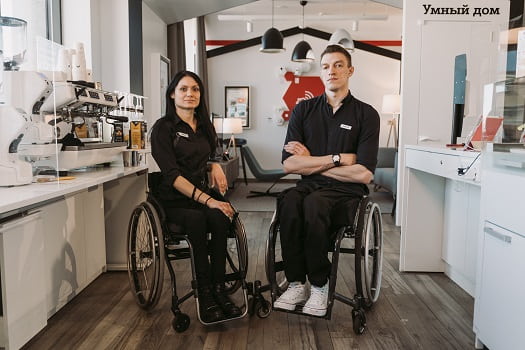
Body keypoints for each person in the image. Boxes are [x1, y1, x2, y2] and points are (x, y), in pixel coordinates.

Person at [273, 45, 380, 317]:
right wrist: (337, 158)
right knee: (288, 201)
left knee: (314, 204)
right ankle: (296, 282)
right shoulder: (303, 110)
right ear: (320, 72)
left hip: (347, 192)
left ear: (350, 70)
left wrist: (312, 162)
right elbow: (289, 164)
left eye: (338, 65)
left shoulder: (366, 115)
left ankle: (319, 284)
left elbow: (364, 173)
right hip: (307, 187)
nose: (331, 71)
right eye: (325, 66)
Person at [150, 70, 242, 323]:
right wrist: (210, 200)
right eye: (183, 89)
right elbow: (172, 176)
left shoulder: (204, 127)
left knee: (222, 217)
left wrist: (213, 166)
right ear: (172, 94)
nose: (190, 94)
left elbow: (208, 157)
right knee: (198, 220)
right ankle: (205, 293)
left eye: (195, 89)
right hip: (172, 199)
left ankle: (220, 289)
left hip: (200, 194)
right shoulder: (163, 129)